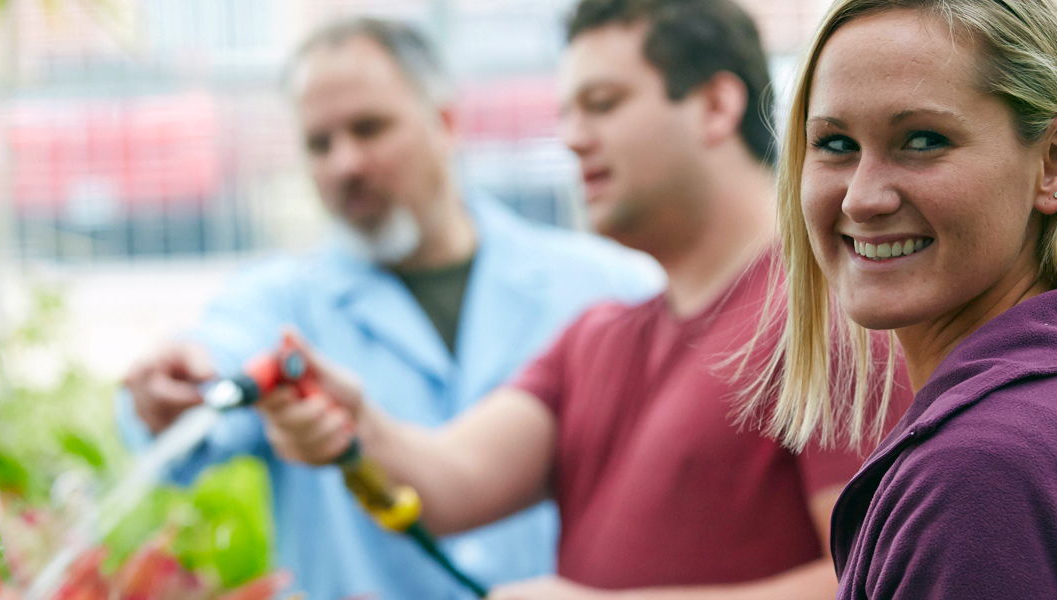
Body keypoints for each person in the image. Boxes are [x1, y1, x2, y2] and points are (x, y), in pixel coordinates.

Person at [257, 1, 912, 598]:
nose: (572, 137)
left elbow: (880, 580)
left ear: (716, 105)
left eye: (602, 103)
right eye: (567, 112)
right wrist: (351, 420)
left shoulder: (830, 316)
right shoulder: (596, 337)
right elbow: (447, 483)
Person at [115, 17, 659, 600]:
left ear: (445, 123)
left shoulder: (605, 287)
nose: (344, 163)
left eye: (369, 128)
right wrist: (171, 387)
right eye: (319, 143)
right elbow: (212, 364)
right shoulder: (279, 306)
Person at [749, 0, 1057, 597]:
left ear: (1056, 161)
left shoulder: (986, 469)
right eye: (834, 144)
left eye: (923, 140)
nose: (861, 198)